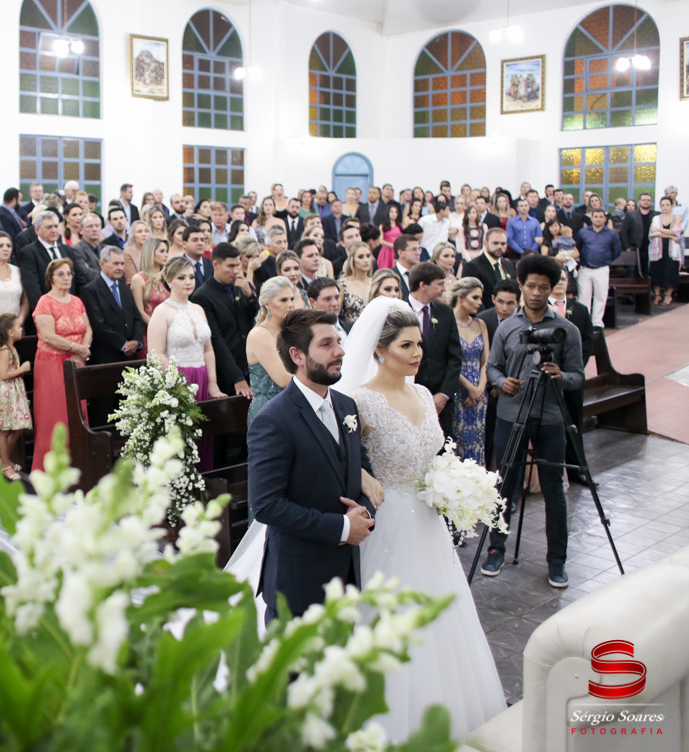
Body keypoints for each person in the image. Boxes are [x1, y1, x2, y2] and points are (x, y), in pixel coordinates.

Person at [336, 297, 504, 740]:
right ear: (378, 349)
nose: (416, 354)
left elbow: (431, 455)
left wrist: (456, 483)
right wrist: (363, 474)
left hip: (429, 522)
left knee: (441, 615)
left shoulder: (427, 396)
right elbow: (339, 457)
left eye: (419, 345)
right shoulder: (359, 400)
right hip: (389, 525)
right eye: (406, 346)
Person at [238, 308, 378, 624]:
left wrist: (365, 514)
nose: (340, 351)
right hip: (297, 586)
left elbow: (363, 470)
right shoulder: (273, 420)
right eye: (326, 344)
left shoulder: (346, 406)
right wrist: (342, 527)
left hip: (347, 577)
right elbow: (266, 505)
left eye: (338, 342)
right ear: (298, 355)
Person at [481, 255, 583, 588]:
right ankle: (495, 550)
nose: (536, 293)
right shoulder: (508, 326)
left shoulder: (567, 330)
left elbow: (578, 376)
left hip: (551, 417)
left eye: (543, 287)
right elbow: (493, 367)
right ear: (522, 286)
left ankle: (557, 561)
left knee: (554, 490)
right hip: (511, 414)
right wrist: (500, 382)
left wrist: (561, 376)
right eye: (530, 286)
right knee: (504, 486)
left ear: (552, 289)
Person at [147, 257, 226, 454]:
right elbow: (156, 354)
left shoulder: (198, 309)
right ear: (170, 280)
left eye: (191, 277)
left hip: (202, 377)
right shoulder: (161, 311)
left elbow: (207, 349)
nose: (189, 282)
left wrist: (213, 383)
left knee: (203, 436)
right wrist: (177, 383)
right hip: (177, 379)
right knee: (180, 438)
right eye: (182, 277)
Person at [30, 259, 90, 472]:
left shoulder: (77, 301)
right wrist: (77, 348)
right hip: (52, 365)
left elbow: (88, 328)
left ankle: (77, 464)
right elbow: (47, 336)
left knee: (76, 412)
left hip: (76, 363)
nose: (66, 277)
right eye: (61, 274)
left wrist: (83, 350)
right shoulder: (45, 302)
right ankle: (51, 468)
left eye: (69, 273)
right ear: (51, 278)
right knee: (55, 415)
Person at [83, 246, 144, 426]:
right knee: (106, 410)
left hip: (129, 359)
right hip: (105, 359)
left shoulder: (125, 288)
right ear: (102, 263)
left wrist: (137, 342)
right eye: (115, 263)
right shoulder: (91, 290)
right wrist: (123, 344)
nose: (120, 267)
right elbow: (98, 325)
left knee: (129, 409)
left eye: (122, 263)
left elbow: (136, 318)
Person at [191, 243, 256, 399]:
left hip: (251, 364)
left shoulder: (240, 286)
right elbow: (216, 340)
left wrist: (251, 297)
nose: (235, 271)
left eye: (237, 266)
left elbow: (256, 320)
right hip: (227, 371)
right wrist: (236, 377)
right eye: (230, 266)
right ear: (216, 264)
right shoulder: (202, 296)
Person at [407, 262, 462, 438]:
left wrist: (444, 394)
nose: (444, 289)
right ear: (423, 285)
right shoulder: (399, 311)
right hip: (407, 396)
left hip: (440, 401)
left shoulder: (445, 313)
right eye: (440, 284)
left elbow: (455, 357)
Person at [549, 268, 594, 486]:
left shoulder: (580, 310)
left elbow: (587, 342)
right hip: (546, 377)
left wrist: (573, 370)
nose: (560, 283)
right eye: (556, 280)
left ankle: (578, 469)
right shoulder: (540, 309)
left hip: (571, 378)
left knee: (574, 423)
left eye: (564, 279)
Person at [477, 279, 520, 469]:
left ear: (517, 303)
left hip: (512, 386)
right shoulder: (483, 319)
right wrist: (493, 384)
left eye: (510, 303)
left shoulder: (521, 323)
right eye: (501, 301)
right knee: (487, 432)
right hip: (486, 385)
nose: (504, 307)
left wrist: (503, 384)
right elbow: (481, 357)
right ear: (493, 299)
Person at [0, 314, 31, 481]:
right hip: (5, 391)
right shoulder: (4, 350)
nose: (21, 329)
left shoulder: (12, 348)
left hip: (13, 390)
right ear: (10, 332)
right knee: (4, 430)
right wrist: (22, 369)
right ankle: (5, 465)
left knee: (19, 425)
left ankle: (3, 460)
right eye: (18, 327)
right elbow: (3, 374)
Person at [449, 277, 490, 466]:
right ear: (461, 298)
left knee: (478, 442)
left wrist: (480, 388)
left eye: (480, 298)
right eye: (475, 298)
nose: (479, 303)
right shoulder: (448, 323)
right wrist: (469, 387)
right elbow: (448, 362)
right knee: (458, 443)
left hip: (480, 396)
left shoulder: (480, 324)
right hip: (458, 393)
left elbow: (486, 361)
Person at [245, 276, 296, 427]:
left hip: (293, 405)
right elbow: (283, 379)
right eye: (283, 300)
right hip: (269, 410)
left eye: (292, 299)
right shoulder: (259, 335)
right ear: (267, 304)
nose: (291, 305)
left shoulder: (290, 332)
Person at [19, 210, 78, 315]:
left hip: (70, 310)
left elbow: (75, 282)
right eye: (49, 227)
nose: (54, 230)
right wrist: (46, 313)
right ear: (37, 230)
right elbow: (33, 288)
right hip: (46, 314)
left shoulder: (67, 250)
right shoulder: (28, 253)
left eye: (56, 226)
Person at [575, 208, 622, 328]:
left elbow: (616, 251)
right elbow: (578, 248)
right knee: (583, 296)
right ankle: (584, 321)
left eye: (601, 217)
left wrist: (606, 260)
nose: (598, 219)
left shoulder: (612, 234)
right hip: (585, 268)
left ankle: (596, 321)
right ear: (591, 218)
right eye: (596, 216)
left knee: (601, 296)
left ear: (605, 219)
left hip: (602, 268)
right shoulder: (583, 232)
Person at [130, 237, 169, 356]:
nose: (166, 255)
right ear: (151, 253)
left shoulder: (167, 276)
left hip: (171, 330)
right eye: (162, 251)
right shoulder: (139, 278)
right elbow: (140, 311)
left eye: (167, 251)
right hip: (149, 332)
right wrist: (159, 328)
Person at [463, 227, 516, 311]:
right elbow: (470, 298)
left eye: (503, 244)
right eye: (495, 243)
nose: (499, 246)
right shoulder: (473, 266)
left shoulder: (509, 265)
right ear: (485, 243)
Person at [649, 196, 682, 306]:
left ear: (672, 205)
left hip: (672, 250)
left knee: (671, 271)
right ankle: (658, 295)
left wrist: (660, 230)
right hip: (657, 250)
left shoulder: (677, 218)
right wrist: (670, 234)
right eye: (662, 205)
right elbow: (653, 233)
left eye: (667, 204)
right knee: (656, 271)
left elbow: (676, 232)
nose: (665, 207)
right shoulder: (656, 218)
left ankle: (668, 296)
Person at [307, 277, 352, 341]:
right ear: (313, 302)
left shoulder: (352, 329)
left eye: (337, 298)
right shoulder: (306, 333)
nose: (335, 303)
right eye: (328, 299)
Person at [390, 235, 420, 299]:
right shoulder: (391, 275)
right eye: (414, 249)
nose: (418, 253)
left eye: (419, 249)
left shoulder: (422, 274)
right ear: (401, 253)